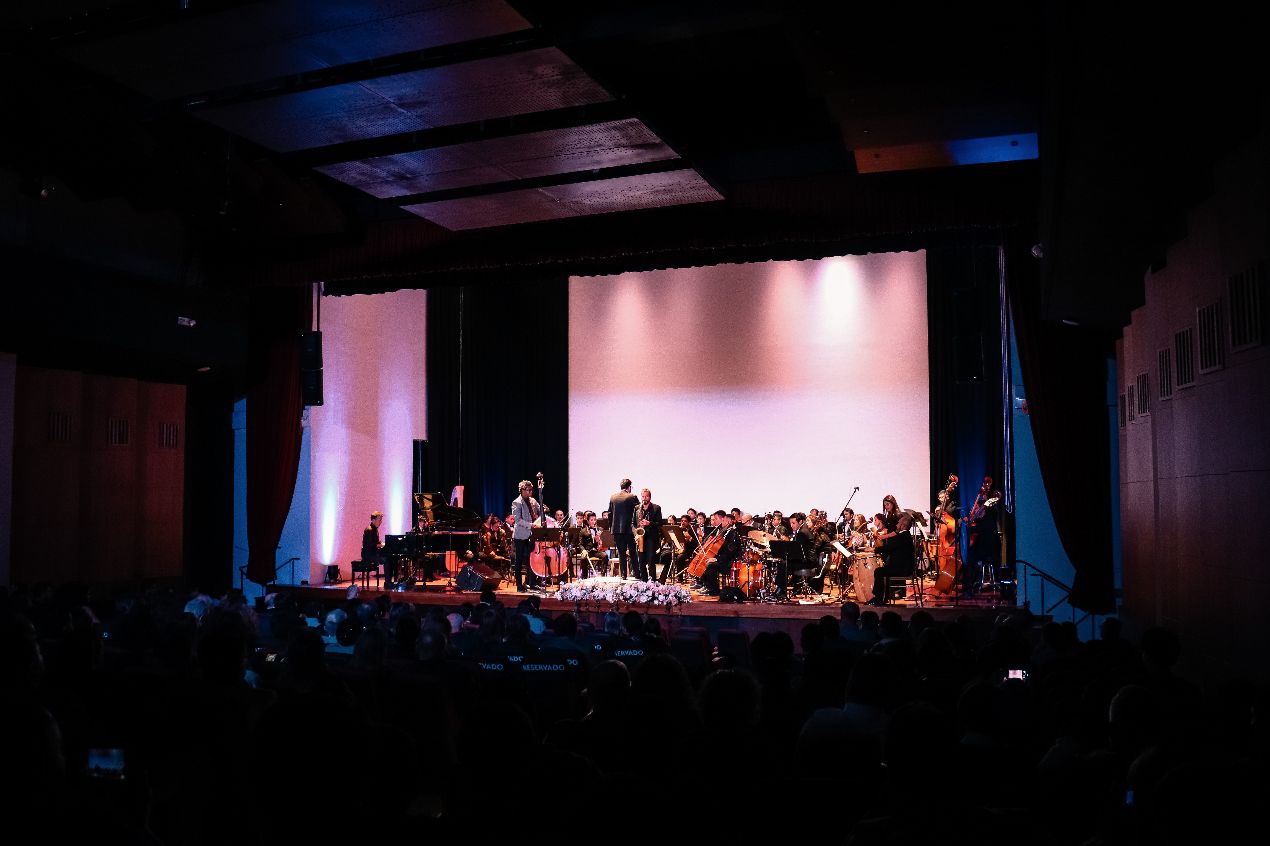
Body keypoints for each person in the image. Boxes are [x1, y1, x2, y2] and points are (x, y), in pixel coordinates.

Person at [868, 495, 915, 605]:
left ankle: (878, 599)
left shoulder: (902, 536)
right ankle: (882, 598)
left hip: (904, 568)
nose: (897, 524)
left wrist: (874, 550)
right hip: (902, 565)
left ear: (903, 525)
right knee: (883, 569)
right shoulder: (905, 536)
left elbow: (889, 547)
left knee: (879, 571)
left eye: (899, 523)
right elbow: (891, 547)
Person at [965, 475, 1002, 593]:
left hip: (986, 548)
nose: (977, 509)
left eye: (978, 507)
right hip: (990, 546)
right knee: (970, 557)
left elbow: (979, 525)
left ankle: (970, 586)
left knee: (969, 559)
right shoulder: (988, 513)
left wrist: (971, 524)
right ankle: (974, 582)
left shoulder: (988, 512)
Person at [509, 480, 543, 592]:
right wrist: (531, 525)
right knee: (519, 561)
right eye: (528, 490)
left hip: (531, 535)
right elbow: (518, 520)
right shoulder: (516, 502)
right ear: (522, 490)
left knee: (532, 560)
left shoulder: (533, 501)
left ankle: (532, 583)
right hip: (520, 535)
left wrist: (543, 507)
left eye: (531, 490)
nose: (530, 492)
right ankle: (519, 586)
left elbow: (540, 509)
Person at [700, 511, 741, 596]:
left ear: (728, 522)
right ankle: (707, 586)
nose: (721, 522)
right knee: (704, 560)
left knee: (710, 566)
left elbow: (730, 553)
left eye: (723, 521)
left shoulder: (733, 534)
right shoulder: (723, 532)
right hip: (722, 559)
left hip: (729, 562)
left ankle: (714, 590)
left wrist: (716, 559)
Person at [608, 479, 639, 580]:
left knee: (621, 553)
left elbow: (610, 514)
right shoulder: (632, 496)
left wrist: (611, 527)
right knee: (633, 552)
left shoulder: (613, 497)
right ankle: (637, 574)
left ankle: (623, 575)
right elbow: (639, 512)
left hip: (617, 530)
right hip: (630, 530)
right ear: (629, 487)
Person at [635, 487, 663, 581]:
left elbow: (660, 524)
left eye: (646, 496)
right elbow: (633, 523)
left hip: (651, 538)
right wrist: (636, 534)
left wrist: (649, 523)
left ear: (650, 497)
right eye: (643, 496)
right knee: (641, 561)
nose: (644, 498)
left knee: (651, 561)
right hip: (640, 537)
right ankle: (643, 581)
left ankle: (652, 582)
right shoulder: (637, 508)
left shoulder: (656, 508)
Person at [361, 511, 390, 586]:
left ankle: (390, 581)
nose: (381, 522)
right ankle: (387, 583)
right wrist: (379, 545)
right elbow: (369, 545)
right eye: (379, 520)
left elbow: (376, 541)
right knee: (386, 560)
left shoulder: (374, 529)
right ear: (373, 520)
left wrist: (381, 543)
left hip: (372, 553)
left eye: (381, 520)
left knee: (389, 557)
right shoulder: (369, 530)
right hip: (368, 555)